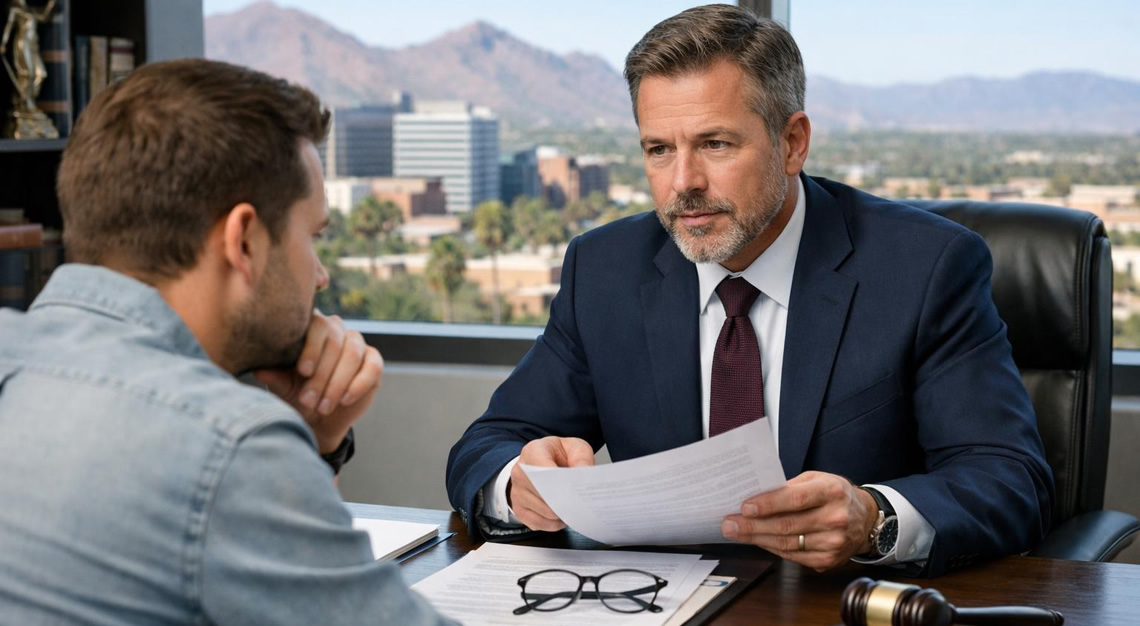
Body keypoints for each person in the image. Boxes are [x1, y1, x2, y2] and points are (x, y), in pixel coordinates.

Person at [445, 4, 1053, 578]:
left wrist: (875, 518)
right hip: (656, 602)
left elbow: (1008, 479)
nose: (683, 183)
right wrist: (515, 483)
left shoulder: (925, 267)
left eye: (715, 144)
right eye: (659, 150)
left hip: (837, 605)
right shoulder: (604, 270)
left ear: (792, 142)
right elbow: (487, 444)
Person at [0, 59, 453, 624]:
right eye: (311, 237)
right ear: (243, 240)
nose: (320, 276)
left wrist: (317, 441)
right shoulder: (229, 446)